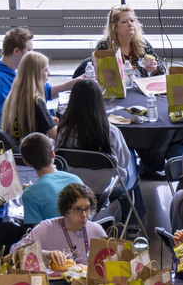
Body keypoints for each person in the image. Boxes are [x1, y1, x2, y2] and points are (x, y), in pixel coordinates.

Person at [55, 79, 143, 219]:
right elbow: (123, 162)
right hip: (108, 188)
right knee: (131, 158)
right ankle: (133, 221)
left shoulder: (63, 131)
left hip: (74, 186)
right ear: (99, 102)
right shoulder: (110, 131)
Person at [22, 183, 106, 266]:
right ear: (66, 210)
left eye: (87, 209)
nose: (84, 215)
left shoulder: (96, 230)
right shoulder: (46, 228)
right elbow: (16, 251)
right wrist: (46, 254)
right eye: (77, 209)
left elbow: (111, 259)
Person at [19, 133, 83, 226]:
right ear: (53, 154)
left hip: (56, 239)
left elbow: (38, 232)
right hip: (85, 237)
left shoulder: (30, 194)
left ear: (26, 162)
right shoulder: (76, 179)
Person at [0, 50, 56, 141]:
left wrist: (48, 119)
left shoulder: (12, 97)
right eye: (46, 70)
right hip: (35, 152)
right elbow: (57, 136)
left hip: (18, 150)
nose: (49, 74)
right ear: (36, 74)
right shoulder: (37, 102)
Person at [94, 5, 166, 77]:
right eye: (124, 22)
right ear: (114, 26)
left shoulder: (142, 43)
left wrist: (155, 68)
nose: (130, 24)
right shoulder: (104, 45)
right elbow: (96, 74)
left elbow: (162, 69)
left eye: (132, 20)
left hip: (141, 86)